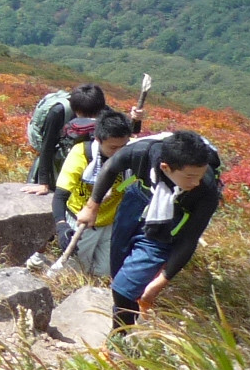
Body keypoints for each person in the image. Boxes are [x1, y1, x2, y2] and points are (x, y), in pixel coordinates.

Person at [79, 129, 223, 329]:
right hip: (137, 200)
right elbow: (110, 168)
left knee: (123, 287)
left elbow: (189, 240)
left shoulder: (205, 190)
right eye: (190, 176)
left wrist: (160, 282)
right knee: (118, 270)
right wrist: (91, 207)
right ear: (166, 167)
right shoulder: (141, 152)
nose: (196, 182)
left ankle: (120, 337)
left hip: (168, 222)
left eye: (199, 175)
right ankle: (135, 305)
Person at [53, 109, 133, 275]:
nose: (119, 153)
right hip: (81, 221)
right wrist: (61, 226)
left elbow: (136, 179)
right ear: (98, 139)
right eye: (113, 147)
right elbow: (60, 195)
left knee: (105, 272)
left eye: (123, 147)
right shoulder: (81, 154)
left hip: (110, 223)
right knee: (75, 270)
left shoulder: (131, 155)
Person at [31, 79, 148, 187]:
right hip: (61, 155)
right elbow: (47, 147)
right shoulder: (58, 113)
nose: (88, 121)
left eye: (93, 117)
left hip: (89, 156)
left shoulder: (102, 110)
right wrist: (44, 184)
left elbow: (124, 132)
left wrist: (136, 120)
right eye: (84, 117)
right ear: (75, 110)